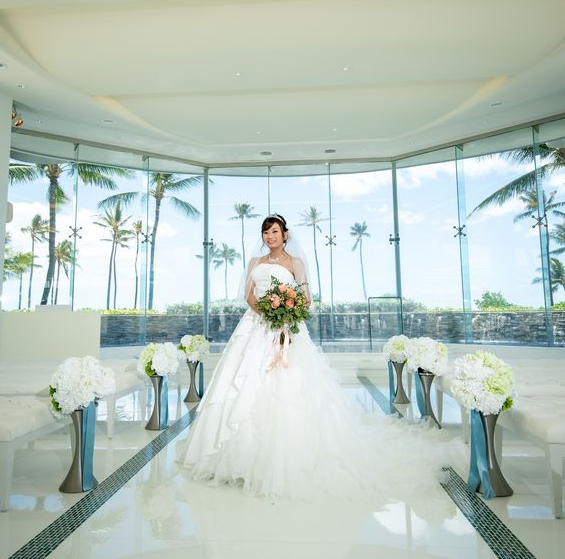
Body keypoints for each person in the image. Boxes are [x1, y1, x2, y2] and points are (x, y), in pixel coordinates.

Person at [177, 214, 459, 502]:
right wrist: (267, 313)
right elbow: (248, 296)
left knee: (290, 386)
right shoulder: (255, 263)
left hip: (287, 328)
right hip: (255, 327)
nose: (270, 237)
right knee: (242, 381)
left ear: (285, 234)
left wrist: (284, 316)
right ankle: (234, 458)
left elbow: (306, 299)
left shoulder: (295, 263)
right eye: (265, 232)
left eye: (274, 231)